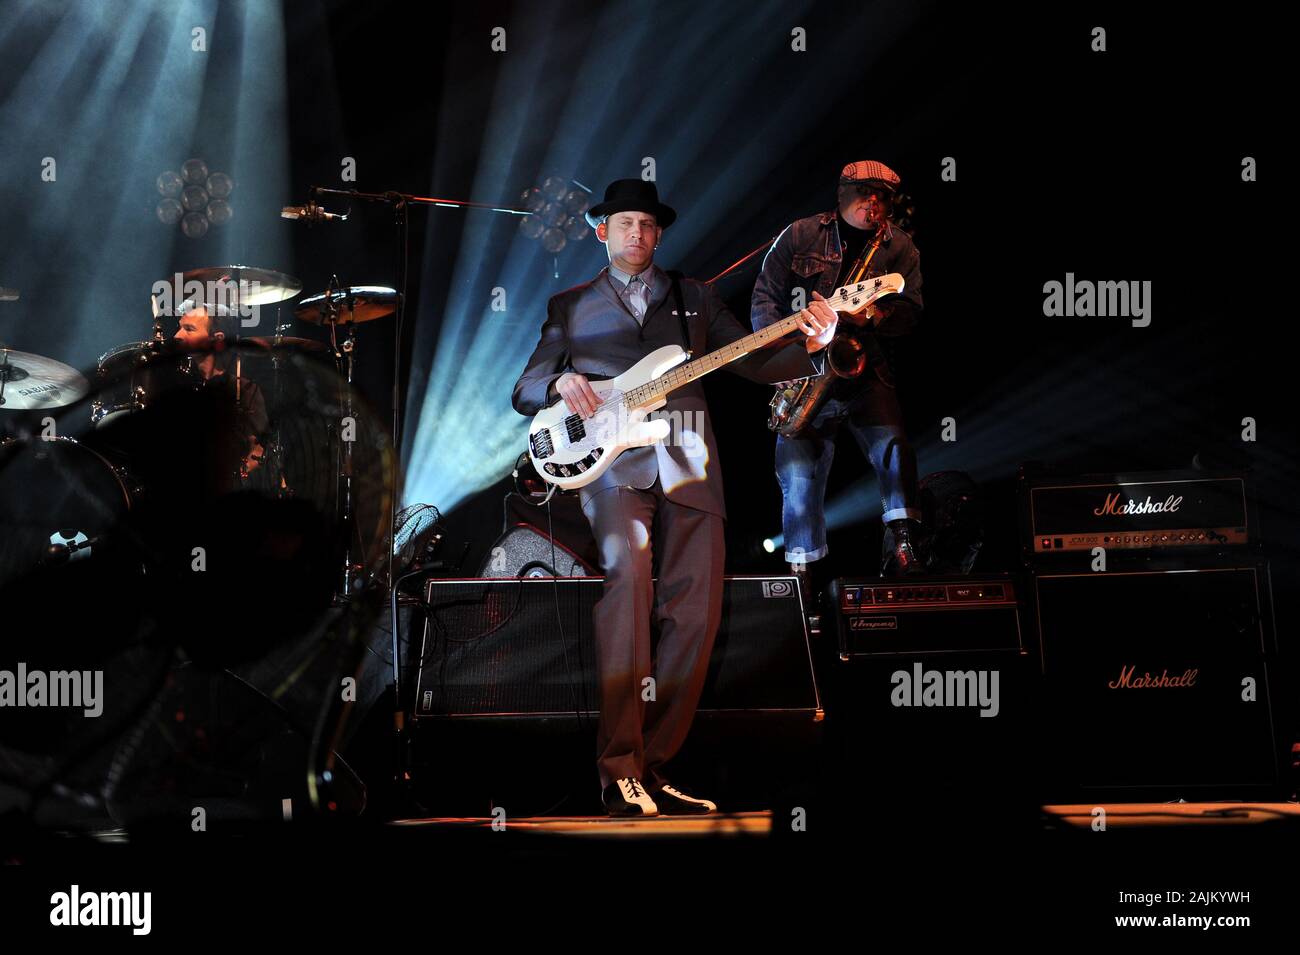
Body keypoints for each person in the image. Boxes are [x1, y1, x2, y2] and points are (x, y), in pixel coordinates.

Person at [512, 179, 837, 816]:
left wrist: (815, 343)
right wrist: (562, 381)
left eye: (648, 224)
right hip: (613, 468)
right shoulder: (570, 304)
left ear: (659, 234)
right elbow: (525, 387)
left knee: (696, 617)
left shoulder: (693, 297)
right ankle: (618, 769)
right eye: (624, 222)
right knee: (628, 597)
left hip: (690, 462)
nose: (637, 233)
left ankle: (654, 768)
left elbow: (755, 362)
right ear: (600, 231)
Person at [750, 160, 925, 590]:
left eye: (882, 197)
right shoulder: (801, 234)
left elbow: (912, 312)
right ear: (842, 193)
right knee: (797, 474)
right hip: (806, 368)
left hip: (864, 369)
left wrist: (874, 317)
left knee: (895, 449)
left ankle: (902, 546)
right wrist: (783, 362)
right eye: (866, 193)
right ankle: (803, 579)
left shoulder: (899, 247)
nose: (874, 203)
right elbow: (764, 299)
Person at [172, 300, 269, 481]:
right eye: (179, 327)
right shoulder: (175, 383)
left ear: (217, 339)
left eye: (189, 329)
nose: (177, 335)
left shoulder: (244, 390)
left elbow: (258, 452)